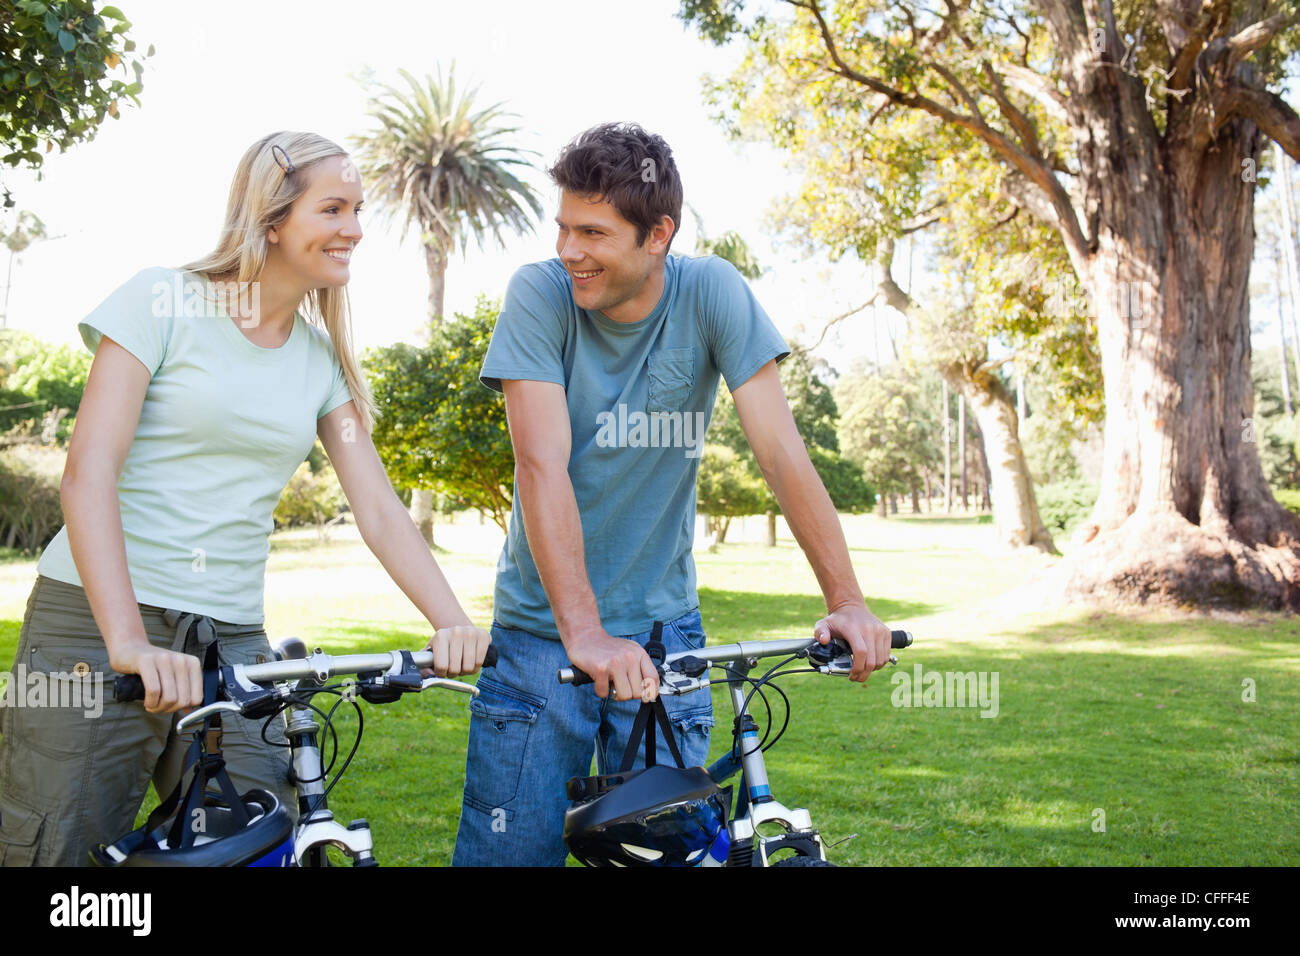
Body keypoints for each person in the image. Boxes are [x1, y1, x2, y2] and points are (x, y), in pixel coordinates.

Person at [0, 131, 491, 867]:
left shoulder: (321, 364)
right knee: (59, 853)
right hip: (93, 626)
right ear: (271, 217)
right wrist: (130, 641)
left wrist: (451, 621)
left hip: (229, 637)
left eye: (357, 209)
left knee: (258, 840)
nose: (354, 228)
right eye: (332, 208)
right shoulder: (160, 302)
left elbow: (380, 508)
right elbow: (88, 471)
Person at [452, 122, 894, 867]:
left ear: (658, 235)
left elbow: (781, 452)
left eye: (592, 232)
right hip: (538, 642)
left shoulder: (711, 290)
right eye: (562, 226)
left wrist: (846, 598)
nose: (568, 250)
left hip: (666, 643)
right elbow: (539, 463)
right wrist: (586, 634)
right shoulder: (540, 293)